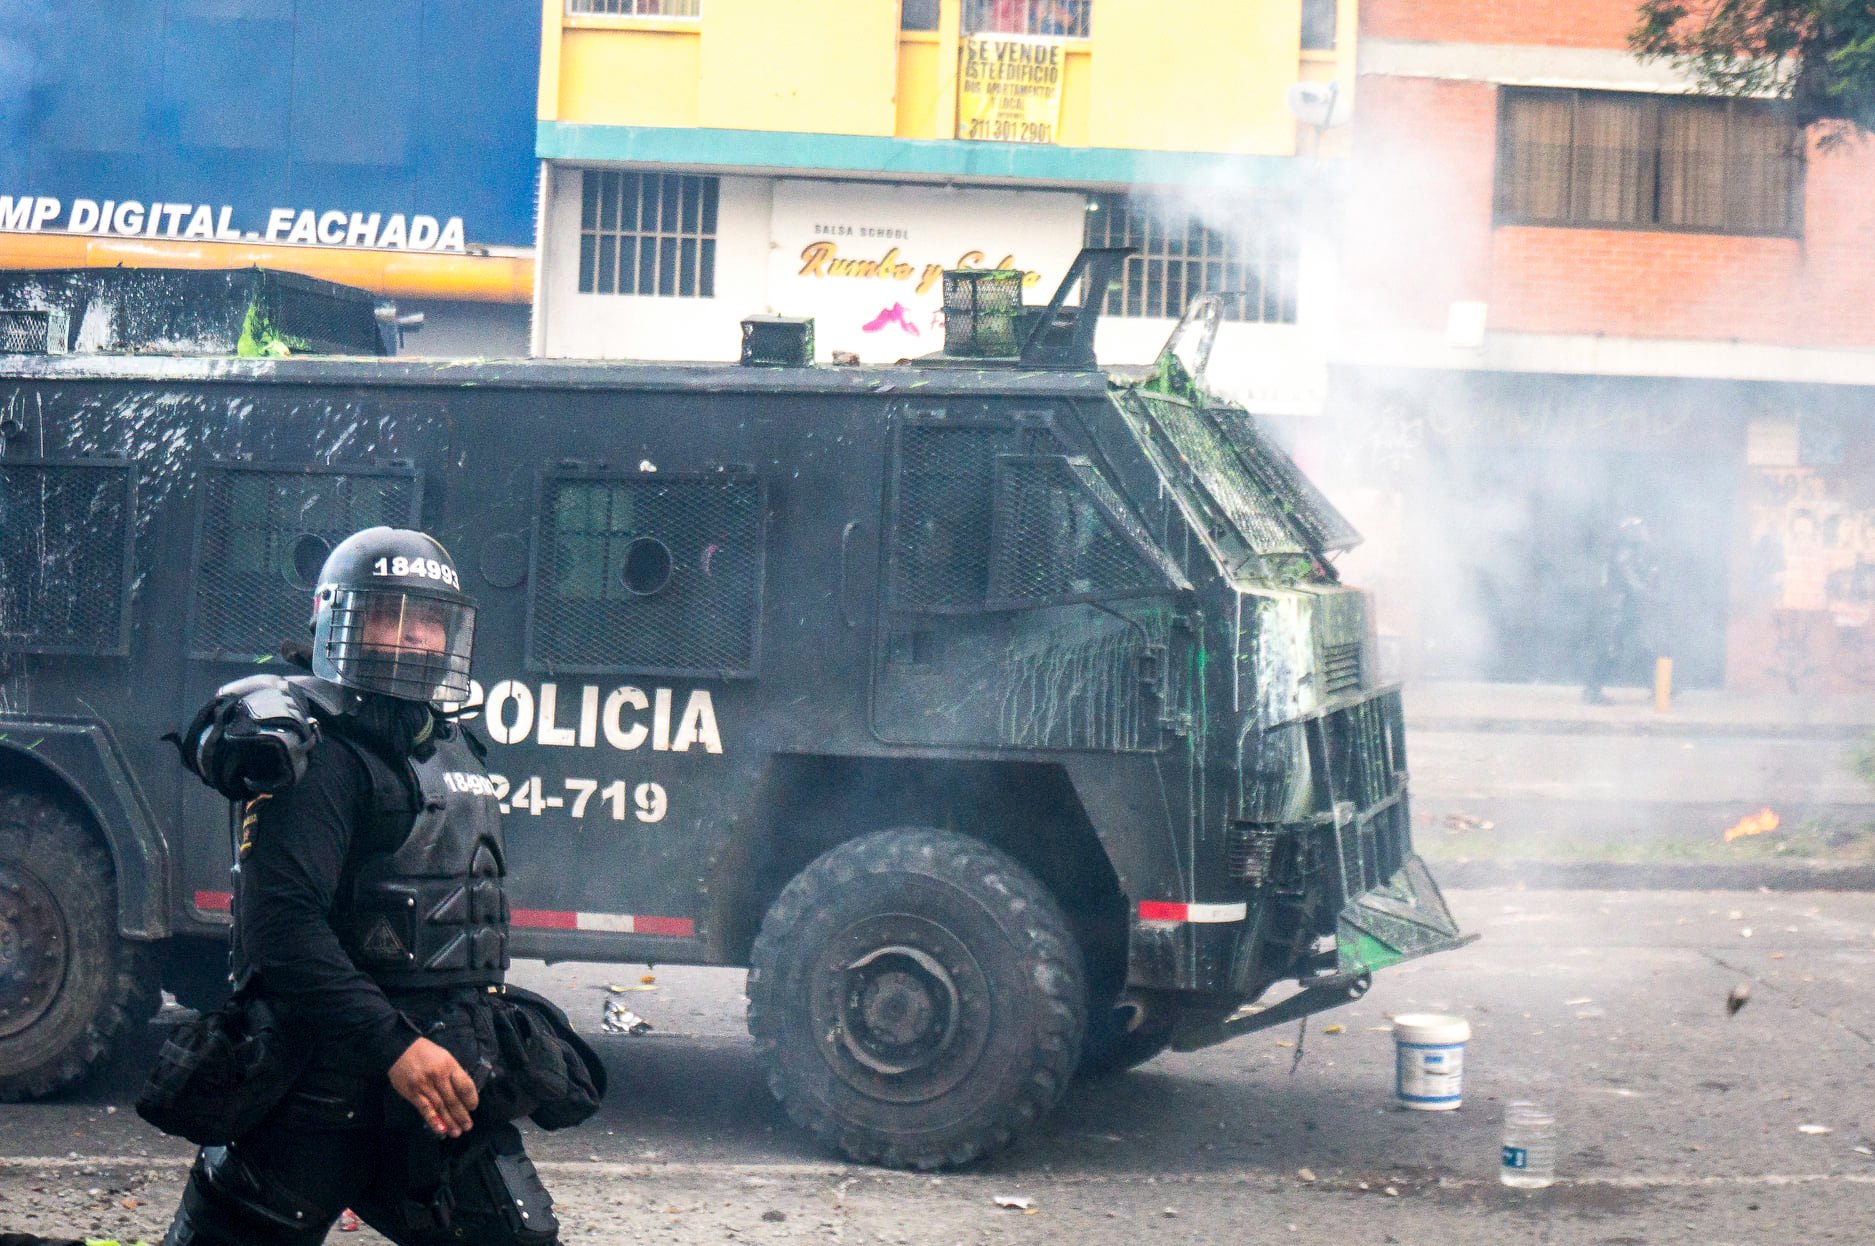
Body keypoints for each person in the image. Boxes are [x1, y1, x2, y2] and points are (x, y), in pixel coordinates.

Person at [160, 527, 579, 1246]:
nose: (413, 640)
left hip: (435, 1086)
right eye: (389, 616)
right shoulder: (314, 756)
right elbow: (282, 933)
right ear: (338, 620)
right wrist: (394, 1047)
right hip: (311, 1090)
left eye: (428, 621)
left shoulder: (444, 741)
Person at [1582, 515, 1656, 705]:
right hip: (1617, 608)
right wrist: (1647, 592)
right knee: (1610, 649)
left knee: (1644, 645)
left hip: (1626, 609)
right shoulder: (1624, 553)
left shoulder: (1632, 553)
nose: (1644, 534)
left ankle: (1659, 685)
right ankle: (1592, 690)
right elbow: (1631, 581)